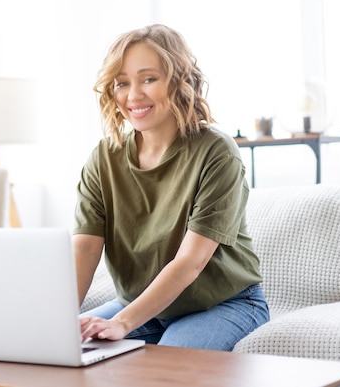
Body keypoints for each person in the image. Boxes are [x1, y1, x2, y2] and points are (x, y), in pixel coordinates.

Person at [73, 24, 269, 351]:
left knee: (163, 370)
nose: (133, 95)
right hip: (143, 307)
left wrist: (122, 322)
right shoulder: (104, 158)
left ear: (178, 81)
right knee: (69, 353)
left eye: (148, 79)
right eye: (122, 83)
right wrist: (57, 326)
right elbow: (85, 249)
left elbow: (190, 261)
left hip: (223, 305)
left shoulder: (216, 152)